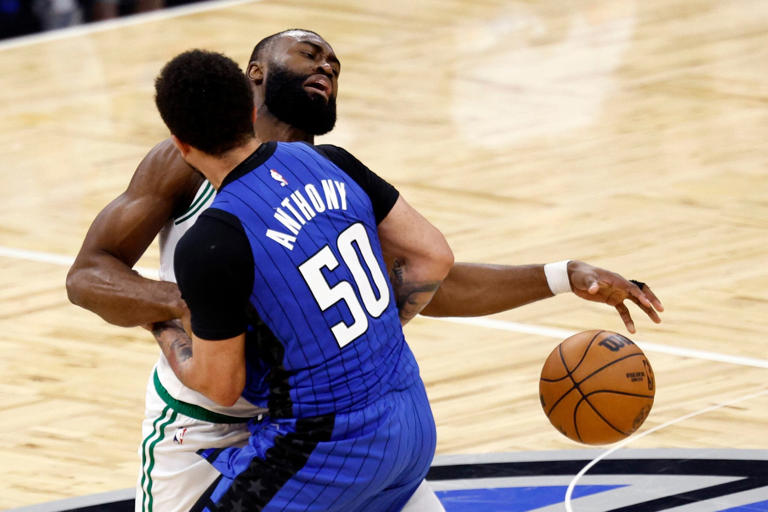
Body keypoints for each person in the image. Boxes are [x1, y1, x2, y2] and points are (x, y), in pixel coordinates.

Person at [66, 29, 663, 512]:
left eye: (336, 61)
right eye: (309, 52)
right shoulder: (181, 161)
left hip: (326, 424)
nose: (327, 63)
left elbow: (426, 277)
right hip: (211, 422)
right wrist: (179, 302)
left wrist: (559, 275)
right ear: (255, 74)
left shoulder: (328, 172)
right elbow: (88, 275)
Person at [154, 47, 454, 511]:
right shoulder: (332, 160)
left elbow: (220, 385)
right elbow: (432, 256)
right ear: (251, 111)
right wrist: (369, 336)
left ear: (180, 143)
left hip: (325, 452)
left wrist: (160, 323)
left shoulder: (212, 241)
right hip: (412, 422)